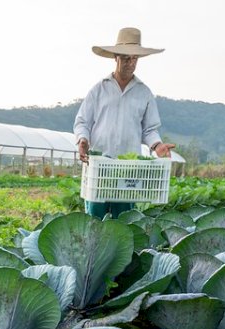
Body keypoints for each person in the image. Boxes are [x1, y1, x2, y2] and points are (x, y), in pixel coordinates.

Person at [74, 27, 175, 218]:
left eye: (134, 59)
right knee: (95, 219)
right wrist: (83, 140)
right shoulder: (99, 89)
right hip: (100, 167)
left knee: (125, 220)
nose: (130, 63)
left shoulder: (143, 92)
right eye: (125, 58)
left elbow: (149, 129)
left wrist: (157, 145)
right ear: (116, 57)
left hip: (128, 168)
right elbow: (82, 122)